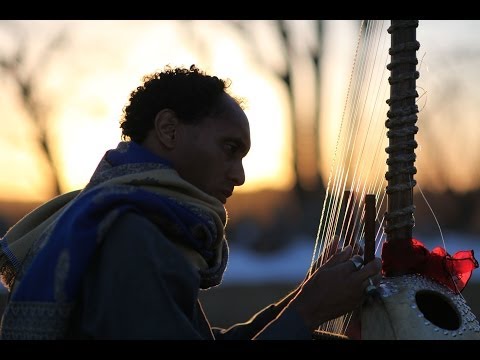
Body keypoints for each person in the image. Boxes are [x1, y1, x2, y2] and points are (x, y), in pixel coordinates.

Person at [0, 64, 381, 340]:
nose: (240, 175)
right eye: (230, 149)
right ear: (168, 129)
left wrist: (304, 297)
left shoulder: (130, 221)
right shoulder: (131, 233)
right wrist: (308, 310)